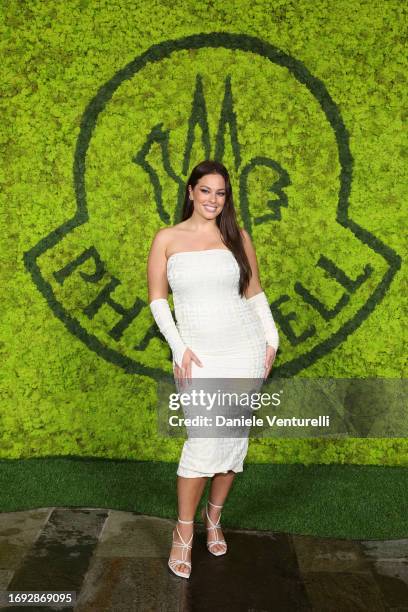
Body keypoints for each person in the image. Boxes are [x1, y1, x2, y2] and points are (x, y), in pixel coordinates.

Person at [147, 159, 279, 579]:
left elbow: (254, 290)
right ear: (190, 192)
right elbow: (157, 299)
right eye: (206, 191)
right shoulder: (167, 238)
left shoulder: (237, 237)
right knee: (203, 442)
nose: (213, 200)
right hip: (197, 356)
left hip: (244, 349)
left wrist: (271, 339)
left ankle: (214, 518)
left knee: (233, 441)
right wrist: (179, 346)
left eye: (220, 193)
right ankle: (183, 532)